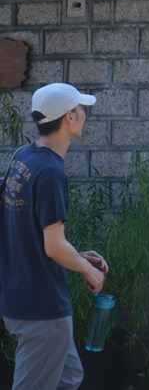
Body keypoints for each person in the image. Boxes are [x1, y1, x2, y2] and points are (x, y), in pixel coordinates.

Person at [1, 82, 109, 390]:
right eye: (80, 109)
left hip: (20, 295)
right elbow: (53, 246)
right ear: (69, 118)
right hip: (41, 307)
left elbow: (32, 230)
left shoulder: (23, 157)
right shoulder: (50, 172)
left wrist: (77, 256)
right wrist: (87, 269)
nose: (85, 114)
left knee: (68, 377)